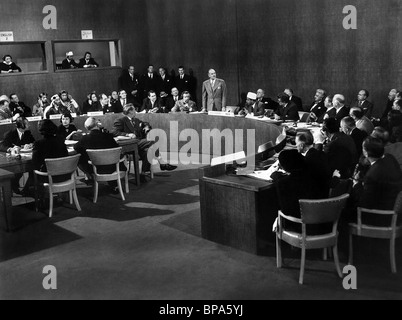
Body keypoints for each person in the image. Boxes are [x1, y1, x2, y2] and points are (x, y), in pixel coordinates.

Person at [112, 104, 177, 182]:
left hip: (139, 143)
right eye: (134, 110)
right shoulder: (120, 120)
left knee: (148, 151)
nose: (135, 111)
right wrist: (127, 134)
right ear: (130, 111)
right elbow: (114, 132)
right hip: (129, 144)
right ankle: (162, 163)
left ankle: (143, 174)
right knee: (152, 142)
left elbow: (145, 123)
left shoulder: (136, 120)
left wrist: (146, 127)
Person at [74, 117, 126, 192]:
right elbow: (118, 149)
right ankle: (114, 184)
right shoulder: (108, 136)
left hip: (95, 169)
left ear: (87, 128)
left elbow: (76, 148)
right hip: (113, 168)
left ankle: (89, 176)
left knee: (80, 157)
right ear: (97, 125)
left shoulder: (85, 139)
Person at [352, 137, 402, 211]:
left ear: (365, 152)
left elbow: (364, 203)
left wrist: (356, 184)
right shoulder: (390, 158)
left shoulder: (372, 175)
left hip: (379, 215)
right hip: (392, 207)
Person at [0, 117, 35, 195]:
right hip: (12, 159)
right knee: (17, 172)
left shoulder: (28, 133)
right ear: (21, 125)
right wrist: (10, 149)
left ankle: (27, 190)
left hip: (25, 157)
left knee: (32, 169)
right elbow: (2, 146)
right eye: (27, 124)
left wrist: (30, 145)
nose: (29, 125)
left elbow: (34, 142)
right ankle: (13, 187)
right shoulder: (10, 133)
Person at [295, 131, 331, 199]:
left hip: (312, 198)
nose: (296, 146)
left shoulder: (306, 160)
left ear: (302, 145)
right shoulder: (322, 154)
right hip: (325, 194)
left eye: (296, 144)